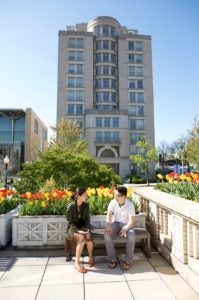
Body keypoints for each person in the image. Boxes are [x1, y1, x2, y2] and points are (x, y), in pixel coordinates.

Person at [104, 185, 135, 270]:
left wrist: (126, 229)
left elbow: (132, 220)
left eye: (118, 195)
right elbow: (109, 214)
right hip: (116, 224)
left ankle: (128, 260)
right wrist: (108, 225)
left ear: (124, 196)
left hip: (127, 225)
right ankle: (113, 259)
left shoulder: (130, 204)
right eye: (115, 195)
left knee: (131, 235)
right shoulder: (113, 202)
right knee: (107, 234)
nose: (116, 197)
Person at [65, 187, 94, 273]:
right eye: (85, 195)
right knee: (81, 239)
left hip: (83, 227)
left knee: (89, 238)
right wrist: (78, 231)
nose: (86, 196)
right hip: (72, 228)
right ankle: (77, 263)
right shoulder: (71, 207)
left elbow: (87, 219)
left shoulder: (86, 205)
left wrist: (87, 230)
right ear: (79, 196)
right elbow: (70, 222)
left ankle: (91, 257)